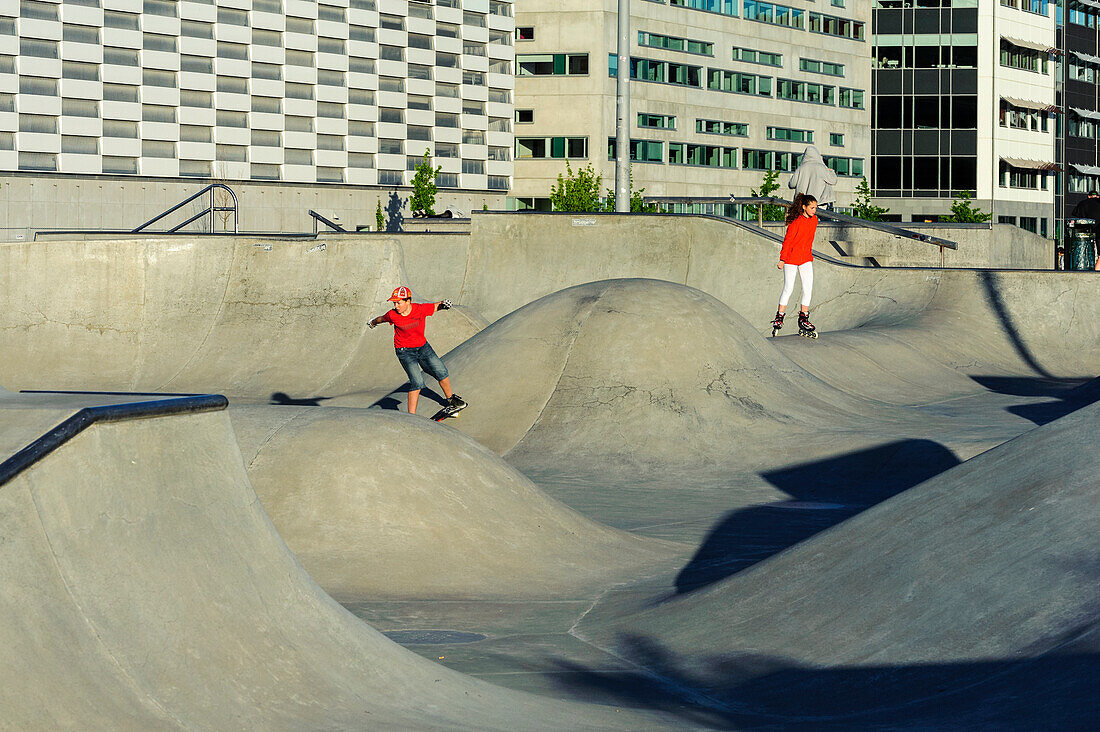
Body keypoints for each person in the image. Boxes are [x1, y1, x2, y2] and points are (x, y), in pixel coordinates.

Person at [369, 286, 467, 416]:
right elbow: (381, 318)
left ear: (408, 301)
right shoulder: (392, 315)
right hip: (404, 352)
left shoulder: (419, 309)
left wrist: (444, 305)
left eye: (399, 302)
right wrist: (373, 322)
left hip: (423, 347)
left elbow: (436, 306)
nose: (396, 306)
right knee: (417, 382)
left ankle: (451, 399)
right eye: (394, 303)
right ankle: (412, 417)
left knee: (441, 371)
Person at [771, 194, 819, 338]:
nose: (814, 211)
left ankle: (804, 318)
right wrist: (782, 259)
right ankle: (780, 316)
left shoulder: (814, 220)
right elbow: (788, 241)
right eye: (812, 208)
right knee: (789, 288)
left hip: (805, 259)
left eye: (816, 208)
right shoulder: (795, 222)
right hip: (791, 259)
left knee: (808, 288)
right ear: (804, 207)